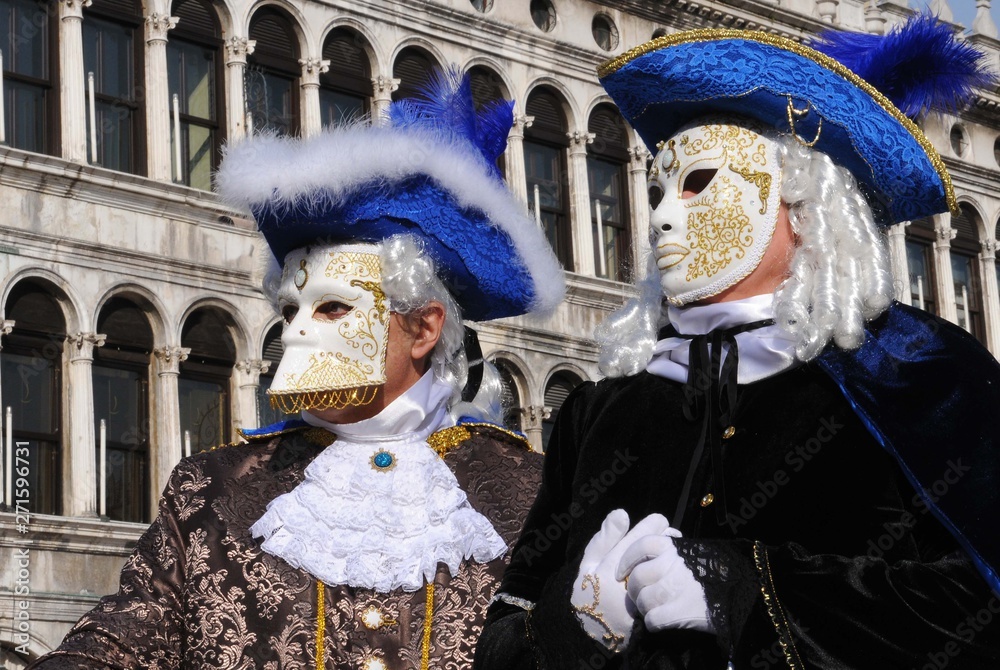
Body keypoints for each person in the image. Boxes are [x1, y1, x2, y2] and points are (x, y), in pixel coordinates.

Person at [476, 15, 1000, 670]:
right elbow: (503, 635)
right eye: (660, 189)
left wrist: (747, 591)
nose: (664, 213)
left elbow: (978, 607)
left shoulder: (919, 375)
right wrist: (573, 625)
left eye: (699, 184)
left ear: (805, 205)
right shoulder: (600, 412)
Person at [28, 70, 564, 670]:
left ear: (423, 328)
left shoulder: (533, 492)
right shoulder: (212, 491)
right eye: (289, 309)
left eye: (334, 305)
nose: (296, 330)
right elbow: (115, 646)